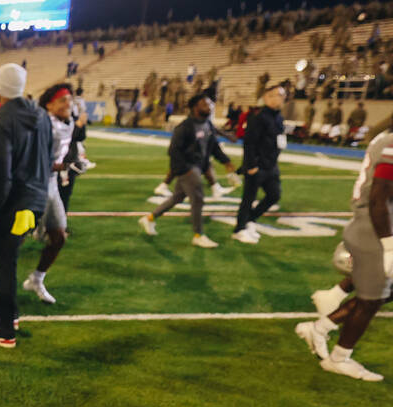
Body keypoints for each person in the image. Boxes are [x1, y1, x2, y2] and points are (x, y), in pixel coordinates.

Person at [293, 128, 393, 381]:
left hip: (376, 224)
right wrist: (389, 246)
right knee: (371, 300)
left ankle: (320, 327)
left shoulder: (385, 136)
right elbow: (378, 199)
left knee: (384, 292)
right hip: (375, 228)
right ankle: (338, 358)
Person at [0, 63, 50, 349]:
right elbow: (47, 156)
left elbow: (2, 173)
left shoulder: (1, 122)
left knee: (4, 264)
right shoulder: (41, 114)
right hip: (36, 199)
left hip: (13, 202)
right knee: (10, 261)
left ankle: (4, 331)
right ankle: (12, 315)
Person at [138, 94, 236, 248]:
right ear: (195, 107)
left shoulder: (208, 125)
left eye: (210, 103)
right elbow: (173, 151)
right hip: (188, 169)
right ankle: (198, 235)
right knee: (198, 199)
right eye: (205, 103)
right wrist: (184, 171)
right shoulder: (184, 127)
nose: (210, 106)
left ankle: (150, 218)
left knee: (176, 198)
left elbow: (214, 147)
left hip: (198, 166)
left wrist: (226, 161)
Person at [22, 83, 79, 305]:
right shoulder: (43, 123)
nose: (68, 103)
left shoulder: (68, 122)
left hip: (51, 183)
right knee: (19, 233)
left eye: (69, 99)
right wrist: (66, 166)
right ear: (49, 104)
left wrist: (71, 163)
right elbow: (36, 160)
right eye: (62, 100)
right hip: (34, 184)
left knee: (58, 237)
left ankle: (36, 279)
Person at [232, 85, 286, 244]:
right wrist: (251, 166)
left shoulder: (279, 117)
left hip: (271, 166)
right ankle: (239, 229)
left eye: (283, 95)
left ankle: (250, 220)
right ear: (267, 97)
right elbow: (249, 143)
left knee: (274, 195)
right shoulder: (259, 117)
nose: (282, 98)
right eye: (278, 95)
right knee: (248, 199)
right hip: (257, 166)